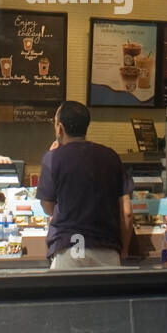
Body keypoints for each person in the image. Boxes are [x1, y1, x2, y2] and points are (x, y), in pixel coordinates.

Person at [37, 101, 132, 269]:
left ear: (60, 128)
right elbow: (127, 212)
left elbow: (48, 207)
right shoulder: (111, 156)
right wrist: (124, 250)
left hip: (71, 247)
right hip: (107, 249)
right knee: (106, 296)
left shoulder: (53, 158)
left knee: (70, 295)